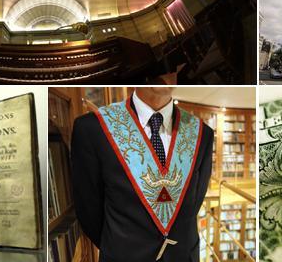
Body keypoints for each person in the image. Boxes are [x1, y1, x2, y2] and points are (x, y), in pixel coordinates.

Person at [71, 87, 213, 262]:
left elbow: (194, 202)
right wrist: (121, 245)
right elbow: (88, 210)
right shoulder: (92, 128)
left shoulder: (202, 133)